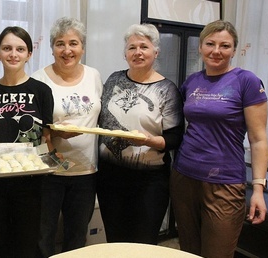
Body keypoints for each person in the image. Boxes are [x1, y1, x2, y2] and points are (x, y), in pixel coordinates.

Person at [171, 20, 268, 257]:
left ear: (234, 49)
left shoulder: (247, 81)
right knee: (189, 251)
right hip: (184, 176)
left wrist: (258, 189)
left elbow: (258, 140)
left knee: (218, 253)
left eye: (225, 45)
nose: (216, 51)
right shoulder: (192, 81)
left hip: (225, 182)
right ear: (200, 47)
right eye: (210, 44)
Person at [96, 23, 184, 245]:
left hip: (149, 183)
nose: (137, 52)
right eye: (131, 47)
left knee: (143, 243)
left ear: (156, 51)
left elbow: (175, 137)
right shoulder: (114, 79)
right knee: (115, 242)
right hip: (109, 178)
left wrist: (149, 141)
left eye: (143, 46)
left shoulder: (167, 89)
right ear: (125, 53)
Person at [0, 26, 56, 258]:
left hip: (30, 187)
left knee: (27, 249)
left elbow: (46, 139)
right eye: (7, 48)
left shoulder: (41, 91)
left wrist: (54, 164)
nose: (14, 54)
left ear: (29, 54)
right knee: (1, 248)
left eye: (20, 49)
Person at [31, 17, 103, 257]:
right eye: (60, 43)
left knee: (77, 235)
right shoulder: (38, 79)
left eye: (73, 43)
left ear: (82, 47)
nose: (67, 50)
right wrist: (52, 134)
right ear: (52, 48)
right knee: (44, 235)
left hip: (86, 171)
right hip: (49, 172)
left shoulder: (94, 76)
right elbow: (33, 129)